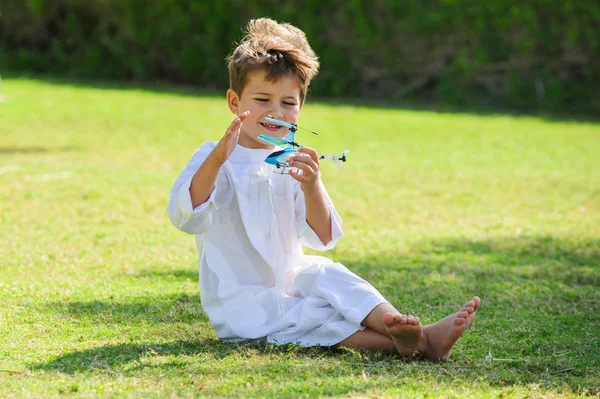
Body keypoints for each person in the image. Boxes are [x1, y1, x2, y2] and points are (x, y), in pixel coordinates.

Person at [167, 18, 480, 360]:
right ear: (233, 101)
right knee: (308, 319)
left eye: (288, 103)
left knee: (327, 273)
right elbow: (186, 216)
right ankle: (419, 343)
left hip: (290, 280)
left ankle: (394, 323)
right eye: (262, 99)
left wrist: (312, 186)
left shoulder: (291, 160)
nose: (275, 112)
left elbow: (323, 237)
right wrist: (216, 160)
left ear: (301, 107)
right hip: (241, 300)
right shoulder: (213, 155)